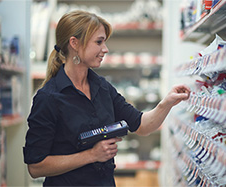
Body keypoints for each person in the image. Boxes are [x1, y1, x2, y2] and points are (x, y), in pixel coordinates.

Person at [23, 10, 190, 186]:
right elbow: (36, 167)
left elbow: (141, 125)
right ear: (74, 43)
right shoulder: (49, 98)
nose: (105, 49)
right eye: (99, 42)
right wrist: (91, 155)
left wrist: (167, 102)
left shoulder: (102, 88)